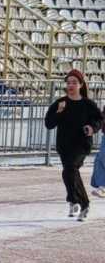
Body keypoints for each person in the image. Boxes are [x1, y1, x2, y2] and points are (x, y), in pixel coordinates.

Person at [44, 69, 103, 222]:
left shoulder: (87, 104)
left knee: (70, 169)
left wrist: (92, 127)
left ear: (81, 85)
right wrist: (59, 112)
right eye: (68, 82)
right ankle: (73, 200)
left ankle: (82, 203)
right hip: (64, 145)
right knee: (69, 172)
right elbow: (49, 124)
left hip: (81, 144)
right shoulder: (60, 103)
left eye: (74, 82)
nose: (70, 85)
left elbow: (99, 119)